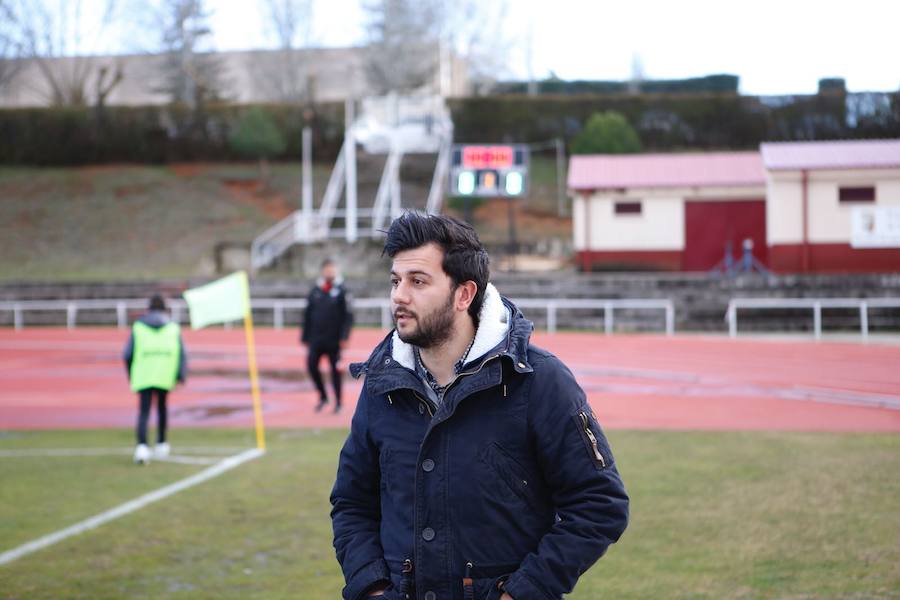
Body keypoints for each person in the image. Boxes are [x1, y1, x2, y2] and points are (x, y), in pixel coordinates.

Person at [330, 213, 629, 600]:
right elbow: (352, 503)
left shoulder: (539, 381)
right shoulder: (381, 384)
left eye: (417, 281)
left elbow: (600, 505)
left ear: (464, 294)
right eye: (395, 281)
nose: (399, 296)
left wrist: (523, 592)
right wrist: (371, 587)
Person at [123, 294, 186, 465]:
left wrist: (131, 373)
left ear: (149, 308)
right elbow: (181, 353)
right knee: (162, 409)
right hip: (165, 374)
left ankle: (142, 447)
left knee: (144, 411)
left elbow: (127, 354)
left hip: (143, 374)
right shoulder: (172, 327)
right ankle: (162, 444)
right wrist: (180, 375)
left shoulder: (138, 327)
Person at [302, 258, 354, 413]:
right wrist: (305, 336)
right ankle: (323, 396)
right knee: (311, 366)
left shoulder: (342, 291)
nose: (329, 272)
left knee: (335, 371)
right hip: (316, 340)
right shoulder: (315, 291)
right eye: (327, 269)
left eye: (332, 269)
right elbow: (307, 314)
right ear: (322, 271)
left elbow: (348, 316)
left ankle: (338, 402)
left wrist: (344, 337)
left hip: (334, 341)